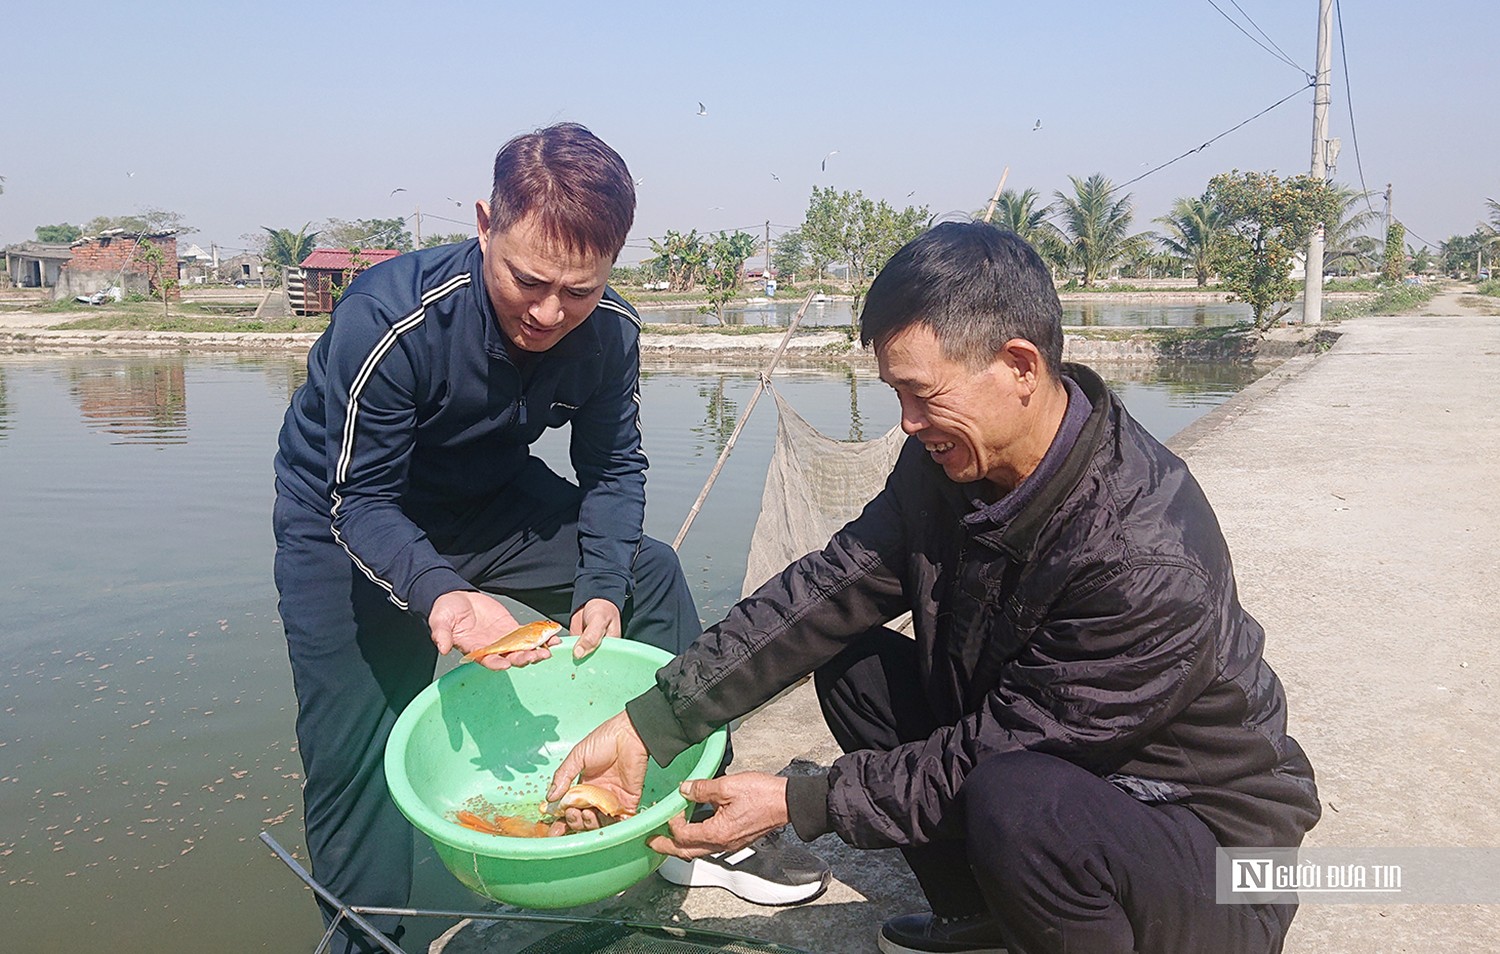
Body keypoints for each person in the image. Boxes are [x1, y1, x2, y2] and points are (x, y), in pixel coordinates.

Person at [548, 222, 1319, 954]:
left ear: (1020, 366)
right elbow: (828, 588)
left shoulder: (1141, 559)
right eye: (896, 396)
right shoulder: (953, 461)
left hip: (1207, 851)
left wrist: (799, 802)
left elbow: (991, 756)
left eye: (924, 393)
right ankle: (984, 914)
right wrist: (654, 720)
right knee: (852, 665)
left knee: (1020, 804)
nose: (910, 423)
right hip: (1063, 766)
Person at [272, 123, 821, 952]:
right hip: (349, 513)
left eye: (580, 290)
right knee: (353, 750)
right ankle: (364, 935)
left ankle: (705, 826)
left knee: (646, 575)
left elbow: (614, 468)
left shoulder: (608, 334)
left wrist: (599, 583)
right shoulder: (390, 322)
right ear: (486, 224)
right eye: (528, 281)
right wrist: (445, 594)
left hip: (492, 493)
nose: (548, 313)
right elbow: (363, 502)